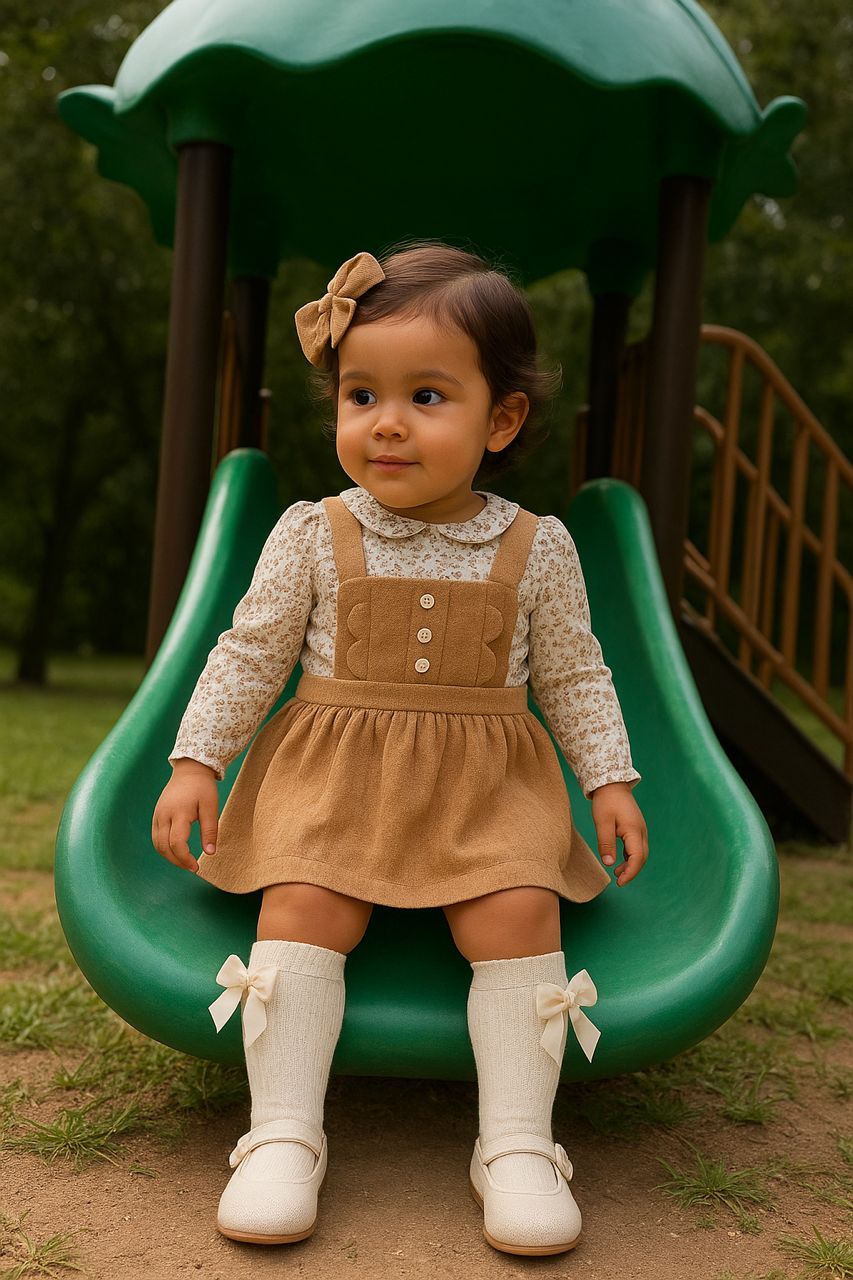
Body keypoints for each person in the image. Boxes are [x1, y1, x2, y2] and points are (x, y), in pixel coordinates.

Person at [152, 242, 648, 1257]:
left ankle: (514, 1141)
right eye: (360, 393)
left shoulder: (538, 547)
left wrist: (606, 778)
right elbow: (249, 653)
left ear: (499, 419)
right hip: (335, 780)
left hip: (485, 788)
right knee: (304, 902)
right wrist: (197, 758)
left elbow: (575, 674)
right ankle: (282, 1129)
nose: (384, 420)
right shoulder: (310, 530)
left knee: (518, 908)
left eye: (426, 395)